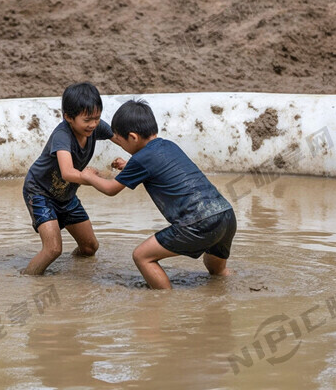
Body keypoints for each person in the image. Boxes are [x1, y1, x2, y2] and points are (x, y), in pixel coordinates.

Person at [81, 99, 236, 289]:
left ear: (133, 137)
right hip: (225, 215)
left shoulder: (140, 160)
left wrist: (89, 176)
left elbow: (111, 189)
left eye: (121, 143)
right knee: (216, 272)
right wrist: (129, 165)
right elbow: (161, 166)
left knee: (142, 256)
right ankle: (237, 288)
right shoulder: (169, 145)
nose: (121, 146)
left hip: (198, 221)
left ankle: (164, 302)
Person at [21, 82, 121, 275]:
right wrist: (90, 177)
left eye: (97, 118)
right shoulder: (62, 136)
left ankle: (72, 273)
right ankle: (27, 280)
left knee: (90, 247)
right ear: (68, 117)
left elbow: (123, 139)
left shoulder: (95, 127)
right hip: (40, 192)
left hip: (65, 195)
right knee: (53, 249)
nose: (93, 124)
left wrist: (140, 159)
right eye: (87, 120)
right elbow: (67, 172)